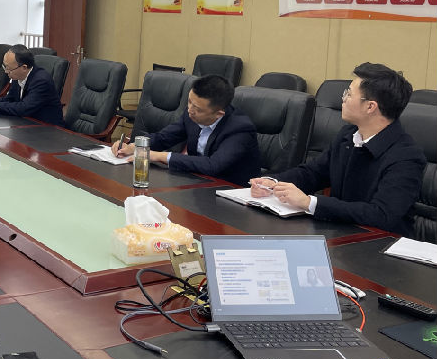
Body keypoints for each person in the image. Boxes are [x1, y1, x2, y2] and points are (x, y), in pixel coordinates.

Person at [250, 63, 425, 236]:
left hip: (379, 243)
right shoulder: (348, 135)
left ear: (370, 107)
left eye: (349, 94)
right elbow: (313, 173)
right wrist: (274, 182)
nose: (344, 99)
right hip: (341, 232)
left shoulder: (406, 156)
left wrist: (310, 202)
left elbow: (381, 215)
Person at [112, 74, 261, 186]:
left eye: (198, 109)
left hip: (229, 191)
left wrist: (159, 156)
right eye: (189, 102)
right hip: (197, 184)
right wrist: (134, 146)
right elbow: (164, 137)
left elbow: (213, 165)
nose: (190, 110)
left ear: (219, 114)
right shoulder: (191, 114)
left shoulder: (240, 129)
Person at [0, 44, 64, 126]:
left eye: (9, 69)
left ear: (24, 67)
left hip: (47, 129)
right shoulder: (17, 75)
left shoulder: (41, 81)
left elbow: (24, 108)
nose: (6, 72)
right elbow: (10, 99)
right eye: (5, 67)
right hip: (26, 124)